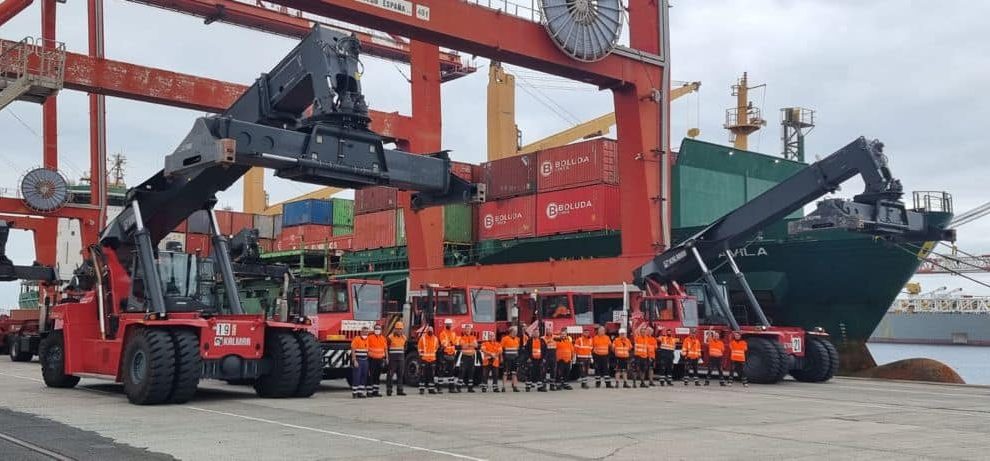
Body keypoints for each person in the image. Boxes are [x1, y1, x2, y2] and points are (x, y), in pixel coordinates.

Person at [385, 322, 407, 396]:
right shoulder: (390, 337)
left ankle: (400, 390)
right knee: (390, 375)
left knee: (400, 375)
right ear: (395, 329)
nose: (399, 330)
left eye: (400, 329)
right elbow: (386, 348)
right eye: (397, 329)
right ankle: (389, 390)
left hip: (401, 359)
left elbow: (405, 348)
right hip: (392, 359)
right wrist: (387, 357)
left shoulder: (404, 338)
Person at [439, 318, 460, 393]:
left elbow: (456, 343)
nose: (449, 325)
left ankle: (451, 388)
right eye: (447, 324)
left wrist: (451, 343)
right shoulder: (442, 333)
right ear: (445, 325)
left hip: (452, 355)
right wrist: (451, 342)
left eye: (450, 324)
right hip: (445, 355)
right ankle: (439, 388)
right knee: (442, 371)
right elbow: (443, 343)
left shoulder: (453, 333)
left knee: (451, 372)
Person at [417, 326, 440, 394]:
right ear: (427, 330)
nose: (430, 331)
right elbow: (419, 348)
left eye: (431, 330)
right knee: (422, 374)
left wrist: (432, 354)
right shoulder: (423, 338)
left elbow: (436, 348)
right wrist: (422, 356)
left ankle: (431, 389)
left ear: (433, 331)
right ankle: (421, 389)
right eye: (429, 330)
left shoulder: (435, 339)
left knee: (431, 375)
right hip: (424, 359)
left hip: (432, 359)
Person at [367, 324, 387, 397]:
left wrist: (386, 358)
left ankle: (376, 391)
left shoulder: (383, 338)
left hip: (380, 359)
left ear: (381, 330)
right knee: (370, 375)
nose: (377, 330)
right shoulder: (370, 337)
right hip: (371, 359)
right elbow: (366, 348)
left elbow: (385, 349)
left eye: (379, 329)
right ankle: (369, 392)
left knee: (377, 376)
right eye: (376, 328)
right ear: (374, 329)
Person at [350, 326, 371, 398]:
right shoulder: (356, 339)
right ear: (361, 332)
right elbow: (353, 350)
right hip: (358, 360)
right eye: (364, 332)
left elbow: (368, 351)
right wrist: (354, 360)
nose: (365, 333)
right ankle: (354, 392)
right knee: (357, 377)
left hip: (365, 361)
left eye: (367, 332)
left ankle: (360, 392)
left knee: (363, 377)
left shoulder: (368, 339)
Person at [458, 324, 479, 392]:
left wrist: (468, 344)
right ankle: (459, 387)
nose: (468, 330)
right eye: (466, 329)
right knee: (462, 371)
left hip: (472, 357)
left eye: (469, 329)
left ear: (470, 330)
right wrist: (471, 344)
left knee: (471, 371)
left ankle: (470, 387)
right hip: (465, 357)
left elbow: (476, 345)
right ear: (464, 330)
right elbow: (463, 346)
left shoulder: (473, 337)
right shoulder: (462, 337)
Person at [500, 326, 522, 392]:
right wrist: (501, 357)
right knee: (505, 373)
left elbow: (518, 349)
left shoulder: (517, 339)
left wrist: (518, 357)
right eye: (514, 331)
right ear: (511, 331)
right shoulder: (505, 338)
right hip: (507, 358)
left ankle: (514, 386)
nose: (516, 333)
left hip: (515, 359)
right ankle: (503, 387)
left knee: (514, 373)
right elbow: (501, 349)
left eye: (516, 332)